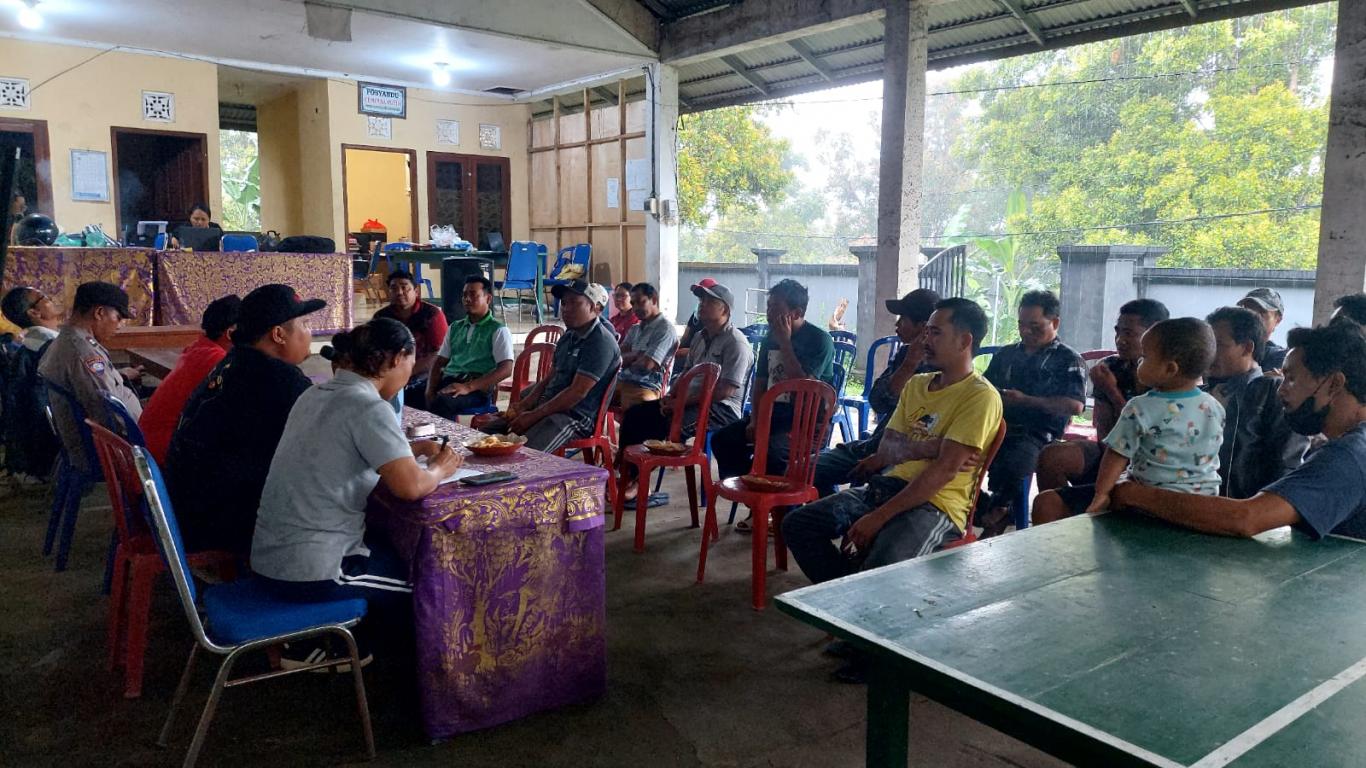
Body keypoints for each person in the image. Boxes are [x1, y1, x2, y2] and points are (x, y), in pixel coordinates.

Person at [782, 298, 1002, 681]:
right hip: (888, 485)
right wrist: (934, 446)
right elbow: (887, 448)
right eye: (926, 330)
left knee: (885, 558)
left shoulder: (980, 396)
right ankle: (857, 619)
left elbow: (943, 473)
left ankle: (876, 654)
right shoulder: (917, 384)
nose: (925, 339)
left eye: (936, 332)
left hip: (936, 505)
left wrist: (879, 516)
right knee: (799, 524)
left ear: (965, 340)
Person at [252, 319, 462, 667]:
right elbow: (410, 487)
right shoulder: (369, 407)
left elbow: (347, 447)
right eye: (410, 364)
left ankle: (348, 642)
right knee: (431, 581)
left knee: (392, 551)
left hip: (269, 555)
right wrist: (441, 467)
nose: (409, 376)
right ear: (398, 358)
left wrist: (410, 449)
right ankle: (367, 662)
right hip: (313, 569)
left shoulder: (314, 394)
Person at [1111, 321, 1366, 540]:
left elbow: (1245, 518)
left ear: (1334, 384)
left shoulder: (1348, 457)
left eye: (1291, 378)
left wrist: (1135, 494)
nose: (1281, 390)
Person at [165, 284, 324, 557]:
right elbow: (329, 440)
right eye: (305, 324)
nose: (310, 333)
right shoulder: (278, 378)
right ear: (278, 334)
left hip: (187, 507)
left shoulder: (232, 362)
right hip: (219, 521)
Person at [711, 279, 835, 529]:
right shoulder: (769, 339)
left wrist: (786, 343)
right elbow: (760, 384)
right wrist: (756, 421)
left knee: (773, 452)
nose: (768, 313)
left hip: (807, 423)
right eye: (768, 306)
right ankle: (757, 502)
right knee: (723, 440)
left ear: (796, 313)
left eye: (775, 307)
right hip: (773, 416)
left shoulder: (819, 340)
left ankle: (781, 514)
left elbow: (803, 387)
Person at [1031, 299, 1169, 521]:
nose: (1120, 340)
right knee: (1052, 456)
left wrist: (1112, 391)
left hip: (1151, 460)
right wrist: (1109, 463)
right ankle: (1064, 521)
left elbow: (1147, 434)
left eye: (1129, 333)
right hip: (1111, 450)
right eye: (1117, 331)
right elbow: (1104, 430)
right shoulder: (1110, 367)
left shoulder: (1169, 375)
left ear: (1153, 335)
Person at [616, 280, 752, 502]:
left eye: (709, 301)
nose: (702, 304)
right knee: (635, 415)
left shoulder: (736, 343)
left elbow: (724, 391)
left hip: (721, 409)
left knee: (665, 425)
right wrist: (671, 396)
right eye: (701, 300)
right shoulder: (699, 338)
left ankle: (638, 483)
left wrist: (682, 403)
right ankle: (625, 475)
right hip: (691, 401)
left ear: (725, 310)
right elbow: (685, 373)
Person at [1083, 318, 1225, 514]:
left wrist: (1101, 494)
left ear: (1170, 369)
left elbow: (1116, 455)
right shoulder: (1214, 406)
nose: (1139, 362)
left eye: (1145, 357)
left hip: (1148, 501)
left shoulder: (1140, 407)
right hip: (1203, 503)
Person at [976, 290, 1086, 536]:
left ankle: (1000, 511)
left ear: (1054, 323)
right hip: (997, 425)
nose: (1026, 332)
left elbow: (1075, 405)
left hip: (1038, 431)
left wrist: (1026, 401)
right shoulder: (1007, 354)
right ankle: (983, 506)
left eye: (1035, 326)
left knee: (1016, 459)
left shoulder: (1068, 359)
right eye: (1021, 325)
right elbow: (983, 388)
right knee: (956, 450)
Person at [812, 288, 941, 496]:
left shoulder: (943, 370)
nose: (897, 325)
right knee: (804, 468)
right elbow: (878, 401)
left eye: (903, 319)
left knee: (874, 490)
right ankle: (828, 501)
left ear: (923, 327)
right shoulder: (905, 355)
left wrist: (911, 365)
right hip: (875, 445)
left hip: (901, 458)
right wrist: (908, 364)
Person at [479, 279, 621, 453]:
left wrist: (534, 415)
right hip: (549, 408)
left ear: (595, 308)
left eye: (574, 303)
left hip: (574, 416)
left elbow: (576, 393)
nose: (566, 309)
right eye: (564, 303)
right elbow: (549, 378)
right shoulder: (568, 337)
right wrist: (526, 405)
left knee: (525, 453)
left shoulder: (600, 342)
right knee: (483, 437)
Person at [37, 281, 143, 472]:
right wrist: (145, 432)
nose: (119, 325)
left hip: (91, 443)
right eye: (118, 318)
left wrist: (120, 377)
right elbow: (109, 413)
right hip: (111, 449)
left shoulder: (71, 340)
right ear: (99, 313)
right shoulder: (83, 352)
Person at [137, 295, 241, 463]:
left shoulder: (199, 348)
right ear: (231, 333)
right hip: (164, 455)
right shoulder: (217, 360)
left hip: (149, 449)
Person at [424, 275, 513, 419]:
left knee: (442, 402)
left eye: (473, 295)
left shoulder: (498, 330)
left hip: (476, 388)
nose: (467, 299)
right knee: (411, 394)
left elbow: (506, 369)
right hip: (449, 381)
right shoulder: (455, 327)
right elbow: (439, 362)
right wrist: (430, 389)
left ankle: (446, 434)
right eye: (464, 295)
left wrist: (467, 387)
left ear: (488, 299)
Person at [1, 286, 63, 484]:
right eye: (44, 297)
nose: (51, 298)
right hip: (50, 452)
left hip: (32, 455)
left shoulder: (30, 344)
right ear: (34, 313)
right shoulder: (51, 349)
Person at [373, 268, 448, 409]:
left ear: (416, 291)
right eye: (394, 288)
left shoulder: (432, 314)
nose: (399, 292)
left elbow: (440, 354)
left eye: (404, 287)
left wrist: (407, 371)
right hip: (391, 373)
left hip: (425, 373)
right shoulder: (381, 317)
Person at [615, 282, 678, 410]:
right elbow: (617, 357)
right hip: (624, 380)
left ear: (654, 300)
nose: (635, 308)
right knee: (594, 390)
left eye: (640, 302)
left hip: (648, 386)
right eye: (633, 303)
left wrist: (629, 359)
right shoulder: (635, 329)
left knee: (633, 403)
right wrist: (638, 355)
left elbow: (647, 365)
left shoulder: (665, 329)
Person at [1237, 287, 1287, 372]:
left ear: (1277, 320)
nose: (1253, 318)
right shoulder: (1228, 348)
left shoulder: (1281, 358)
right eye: (1248, 312)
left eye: (1261, 313)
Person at [675, 277, 716, 361]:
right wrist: (675, 349)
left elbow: (709, 349)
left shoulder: (713, 322)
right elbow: (686, 336)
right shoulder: (696, 315)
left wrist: (685, 352)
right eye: (700, 297)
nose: (702, 302)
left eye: (705, 297)